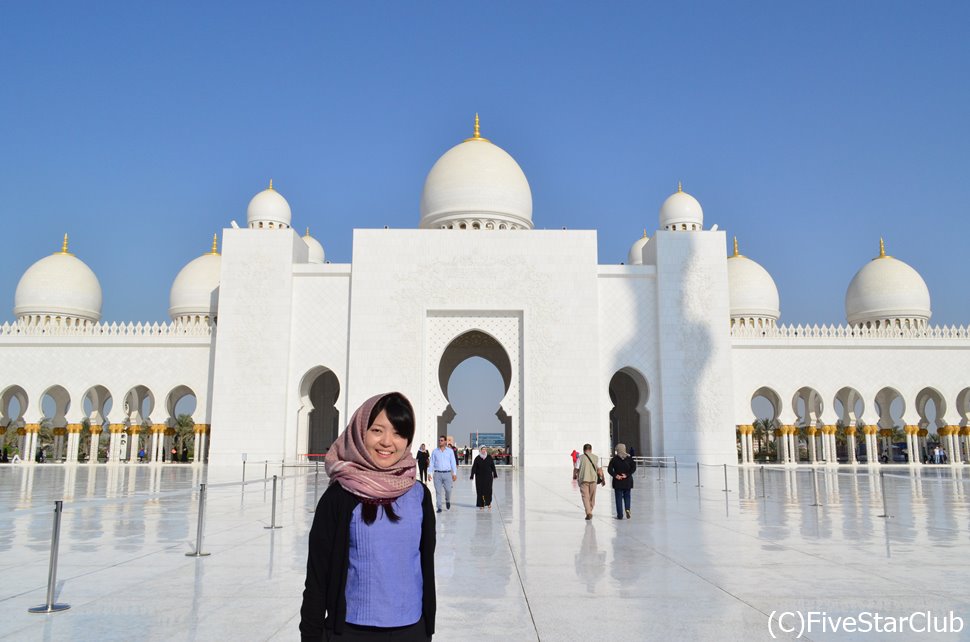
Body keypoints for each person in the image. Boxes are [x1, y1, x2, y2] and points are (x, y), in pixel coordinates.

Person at [300, 392, 435, 641]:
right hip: (351, 631)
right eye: (377, 430)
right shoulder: (339, 497)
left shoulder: (419, 495)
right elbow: (317, 580)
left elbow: (425, 563)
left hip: (411, 630)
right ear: (360, 431)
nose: (387, 442)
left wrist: (427, 627)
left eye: (398, 433)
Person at [573, 443, 603, 520]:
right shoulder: (596, 457)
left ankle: (588, 512)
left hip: (583, 479)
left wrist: (574, 475)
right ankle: (590, 510)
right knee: (592, 497)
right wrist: (603, 479)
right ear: (591, 449)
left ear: (584, 450)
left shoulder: (580, 458)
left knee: (585, 497)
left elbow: (576, 468)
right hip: (593, 479)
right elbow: (599, 469)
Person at [607, 443, 636, 520]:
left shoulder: (614, 459)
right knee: (627, 496)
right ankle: (627, 509)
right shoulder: (629, 459)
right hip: (627, 481)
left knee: (618, 498)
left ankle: (620, 515)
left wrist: (616, 475)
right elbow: (633, 468)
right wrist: (626, 475)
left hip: (618, 482)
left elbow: (609, 470)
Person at [430, 436, 458, 512]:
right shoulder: (435, 451)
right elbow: (431, 462)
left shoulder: (450, 451)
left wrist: (454, 473)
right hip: (437, 474)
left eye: (442, 440)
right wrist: (429, 473)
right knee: (438, 492)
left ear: (445, 442)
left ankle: (447, 500)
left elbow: (453, 462)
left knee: (448, 490)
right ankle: (439, 507)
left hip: (447, 474)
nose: (440, 442)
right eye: (439, 440)